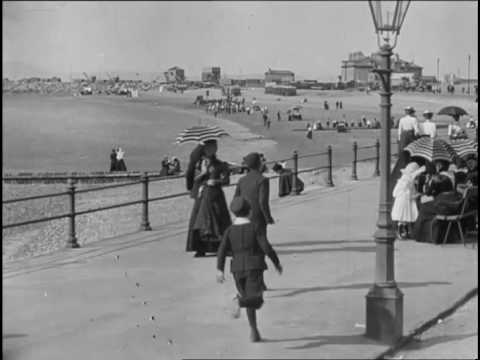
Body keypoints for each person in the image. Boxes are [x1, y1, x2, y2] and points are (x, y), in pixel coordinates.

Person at [216, 196, 283, 342]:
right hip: (254, 266)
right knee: (257, 300)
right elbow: (266, 246)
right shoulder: (254, 227)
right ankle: (238, 302)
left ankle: (254, 330)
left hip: (237, 268)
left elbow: (221, 250)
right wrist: (276, 262)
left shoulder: (229, 230)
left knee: (249, 299)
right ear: (250, 212)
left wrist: (220, 269)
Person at [235, 152, 275, 290]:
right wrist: (268, 218)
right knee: (260, 250)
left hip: (243, 217)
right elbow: (263, 202)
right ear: (259, 164)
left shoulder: (241, 180)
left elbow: (236, 200)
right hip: (257, 218)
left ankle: (246, 280)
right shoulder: (263, 180)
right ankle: (260, 280)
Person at [185, 140, 232, 257]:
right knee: (199, 221)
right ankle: (200, 248)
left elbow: (226, 181)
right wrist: (203, 173)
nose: (214, 148)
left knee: (220, 219)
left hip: (216, 195)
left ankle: (223, 247)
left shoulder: (220, 164)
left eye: (214, 146)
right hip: (202, 194)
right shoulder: (198, 163)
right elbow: (192, 177)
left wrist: (215, 181)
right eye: (211, 146)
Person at [391, 162, 426, 239]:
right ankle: (401, 230)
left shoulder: (408, 179)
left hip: (406, 200)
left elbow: (412, 191)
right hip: (403, 200)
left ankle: (404, 230)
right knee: (403, 216)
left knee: (405, 216)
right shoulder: (406, 180)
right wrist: (416, 195)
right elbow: (406, 192)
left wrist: (416, 194)